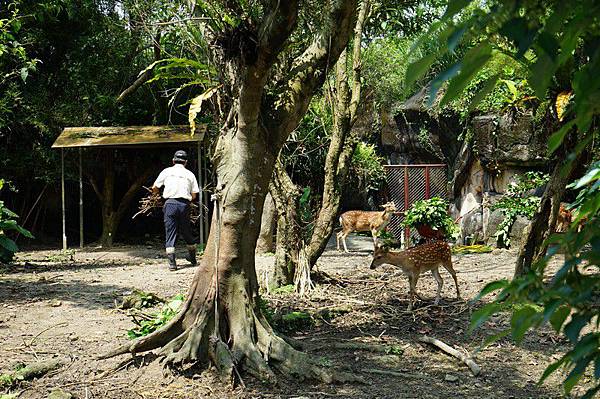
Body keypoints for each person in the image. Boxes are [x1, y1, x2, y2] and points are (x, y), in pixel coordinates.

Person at [152, 150, 199, 271]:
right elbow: (194, 195)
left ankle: (172, 264)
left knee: (170, 232)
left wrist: (157, 196)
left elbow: (155, 187)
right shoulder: (190, 174)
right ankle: (193, 258)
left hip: (170, 204)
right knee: (186, 230)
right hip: (184, 205)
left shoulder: (167, 171)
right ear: (186, 162)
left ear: (173, 160)